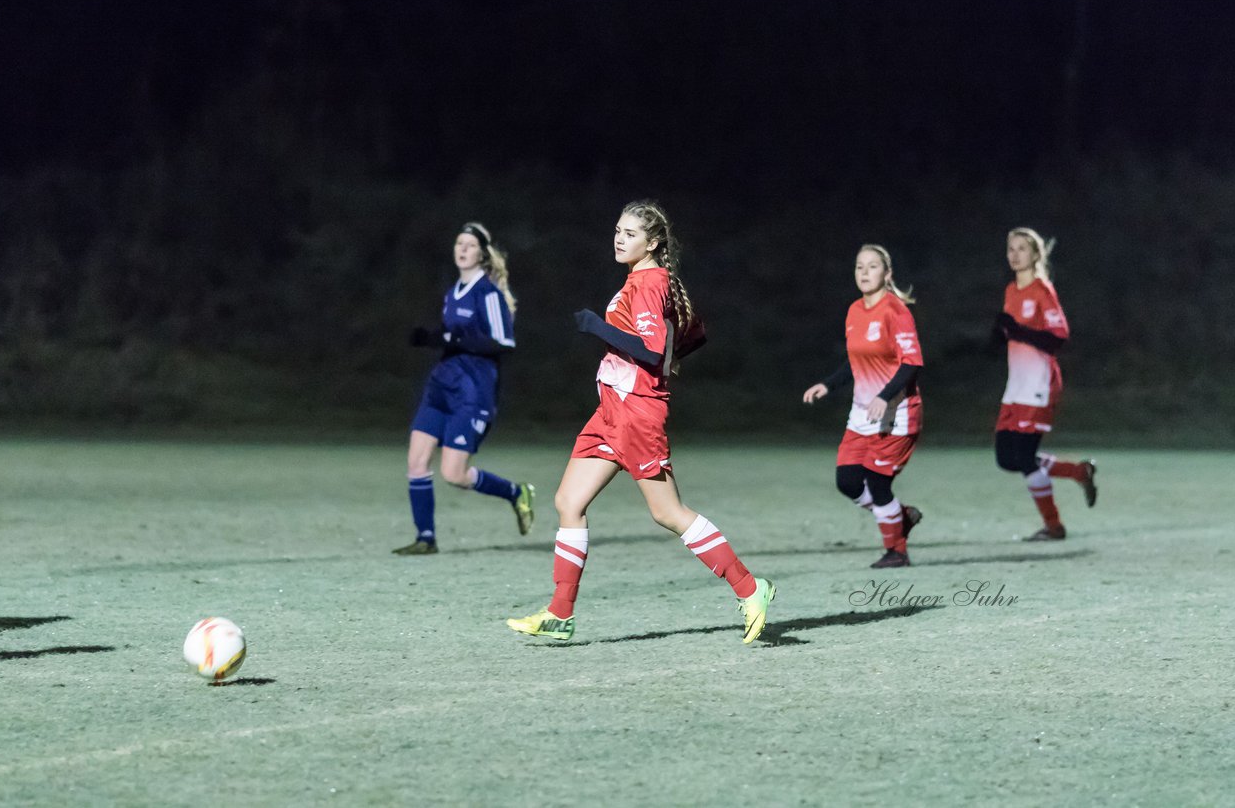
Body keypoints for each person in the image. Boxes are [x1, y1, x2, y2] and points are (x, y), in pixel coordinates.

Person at [506, 200, 775, 644]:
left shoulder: (650, 282)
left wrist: (596, 326)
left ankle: (751, 589)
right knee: (569, 501)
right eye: (617, 230)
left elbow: (650, 351)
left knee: (667, 512)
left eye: (630, 234)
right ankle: (560, 614)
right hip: (611, 410)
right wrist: (668, 356)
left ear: (652, 243)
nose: (619, 238)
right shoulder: (644, 279)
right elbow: (694, 333)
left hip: (635, 411)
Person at [394, 222, 536, 555]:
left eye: (470, 245)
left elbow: (503, 342)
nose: (462, 249)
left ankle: (517, 493)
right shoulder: (452, 292)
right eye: (459, 243)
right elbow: (452, 338)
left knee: (454, 474)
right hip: (440, 388)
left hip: (472, 393)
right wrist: (432, 338)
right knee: (416, 462)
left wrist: (456, 339)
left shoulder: (488, 294)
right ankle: (425, 538)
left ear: (482, 254)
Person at [803, 244, 924, 568]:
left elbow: (911, 363)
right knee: (848, 482)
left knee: (877, 482)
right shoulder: (855, 310)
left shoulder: (895, 311)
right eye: (860, 267)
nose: (865, 273)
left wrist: (884, 397)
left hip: (895, 414)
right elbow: (855, 362)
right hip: (861, 413)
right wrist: (828, 384)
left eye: (873, 267)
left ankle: (896, 550)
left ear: (887, 274)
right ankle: (900, 517)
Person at [992, 227, 1096, 541]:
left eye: (1022, 248)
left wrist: (1018, 331)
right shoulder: (1011, 290)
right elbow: (1014, 334)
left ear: (1036, 255)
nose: (1015, 254)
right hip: (1016, 385)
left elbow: (1057, 338)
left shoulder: (1042, 290)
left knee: (1024, 459)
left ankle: (1054, 527)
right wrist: (1000, 334)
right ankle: (1078, 472)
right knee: (1006, 458)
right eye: (1011, 248)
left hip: (1039, 383)